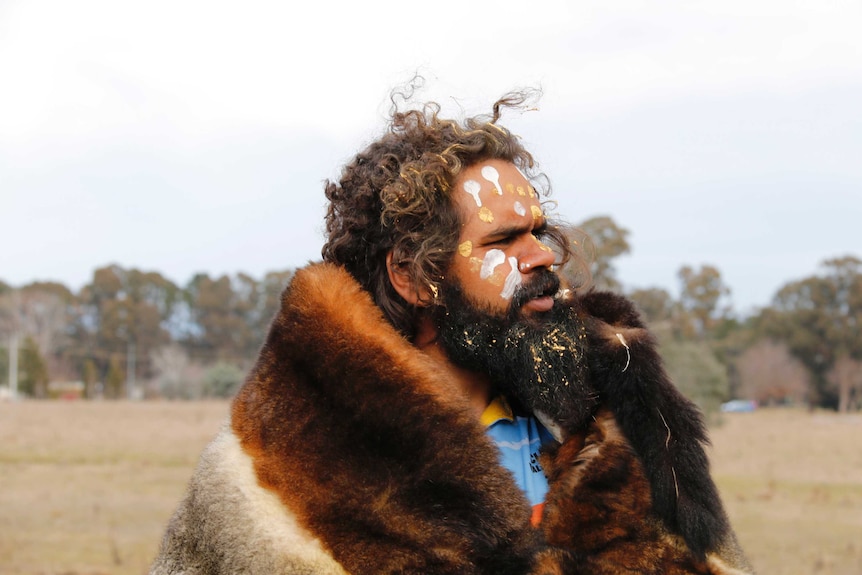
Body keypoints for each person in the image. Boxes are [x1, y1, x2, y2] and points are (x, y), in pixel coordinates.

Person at [151, 89, 753, 575]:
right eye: (501, 241)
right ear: (414, 276)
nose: (542, 256)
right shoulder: (271, 480)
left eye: (538, 234)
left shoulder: (615, 429)